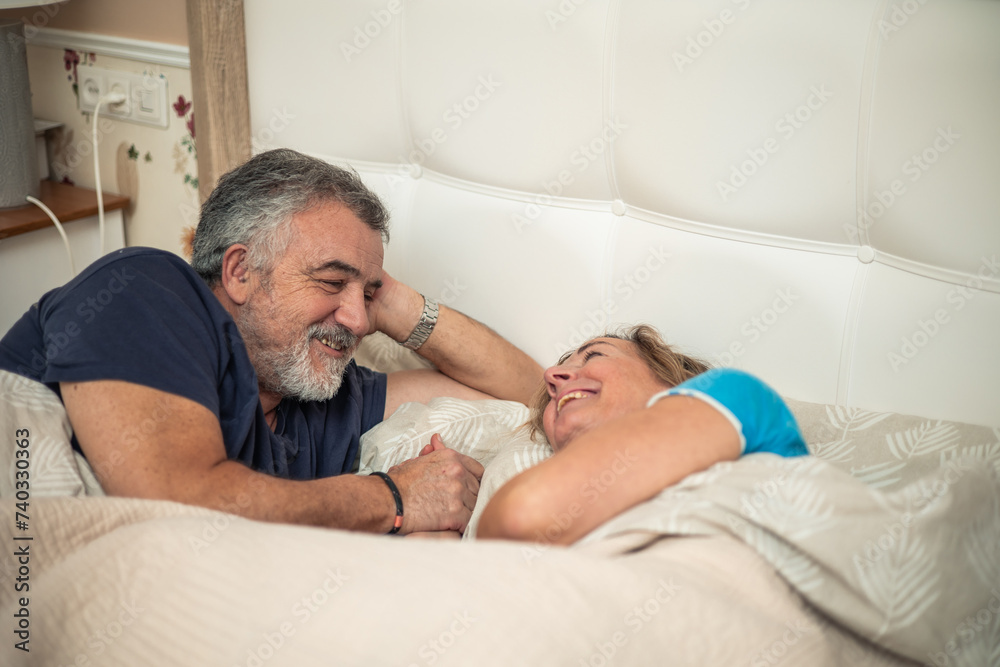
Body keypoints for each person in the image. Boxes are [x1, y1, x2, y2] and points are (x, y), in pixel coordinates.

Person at [0, 148, 542, 535]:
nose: (357, 320)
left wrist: (394, 303)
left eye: (366, 293)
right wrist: (394, 497)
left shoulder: (327, 394)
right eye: (331, 281)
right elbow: (177, 508)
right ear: (240, 271)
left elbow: (530, 394)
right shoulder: (148, 291)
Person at [477, 324, 807, 544]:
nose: (552, 374)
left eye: (595, 355)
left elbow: (518, 517)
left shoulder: (737, 397)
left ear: (672, 381)